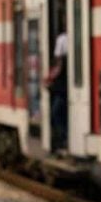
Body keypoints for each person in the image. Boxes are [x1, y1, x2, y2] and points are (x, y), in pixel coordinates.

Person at [44, 19, 68, 151]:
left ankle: (62, 137)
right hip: (68, 85)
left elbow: (58, 62)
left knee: (55, 112)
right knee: (62, 111)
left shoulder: (62, 39)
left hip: (61, 85)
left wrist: (49, 77)